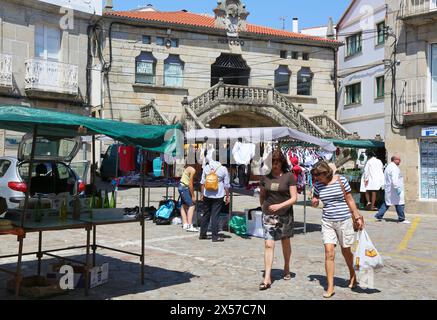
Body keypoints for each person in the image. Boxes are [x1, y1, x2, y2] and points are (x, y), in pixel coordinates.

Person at [311, 161, 364, 298]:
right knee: (329, 252)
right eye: (315, 176)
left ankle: (353, 274)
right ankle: (330, 286)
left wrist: (357, 216)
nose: (317, 178)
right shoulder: (317, 185)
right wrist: (315, 201)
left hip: (344, 220)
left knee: (346, 251)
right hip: (327, 221)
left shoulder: (341, 180)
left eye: (318, 175)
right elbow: (315, 198)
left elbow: (349, 199)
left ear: (326, 172)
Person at [258, 149, 298, 290]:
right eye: (272, 162)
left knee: (285, 242)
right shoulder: (265, 177)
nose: (275, 165)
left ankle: (286, 266)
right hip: (268, 214)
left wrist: (280, 206)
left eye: (277, 162)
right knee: (269, 244)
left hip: (285, 214)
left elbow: (294, 198)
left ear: (282, 162)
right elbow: (262, 194)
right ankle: (267, 277)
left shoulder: (289, 176)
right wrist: (263, 206)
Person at [199, 152, 230, 242]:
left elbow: (202, 182)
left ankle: (202, 234)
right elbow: (226, 185)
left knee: (206, 214)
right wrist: (227, 196)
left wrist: (201, 194)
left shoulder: (206, 167)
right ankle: (215, 236)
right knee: (215, 215)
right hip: (218, 194)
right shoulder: (223, 169)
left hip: (207, 194)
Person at [375, 154, 410, 224]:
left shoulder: (389, 167)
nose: (400, 161)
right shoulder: (394, 168)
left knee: (387, 203)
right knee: (400, 203)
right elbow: (394, 179)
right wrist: (397, 188)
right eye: (399, 160)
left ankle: (379, 215)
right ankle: (401, 219)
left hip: (390, 190)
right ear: (395, 160)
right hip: (394, 190)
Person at [178, 162, 198, 232]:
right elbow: (190, 184)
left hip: (181, 186)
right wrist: (193, 196)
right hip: (184, 188)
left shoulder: (187, 168)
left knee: (183, 205)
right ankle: (190, 225)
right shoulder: (192, 170)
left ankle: (185, 223)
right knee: (192, 205)